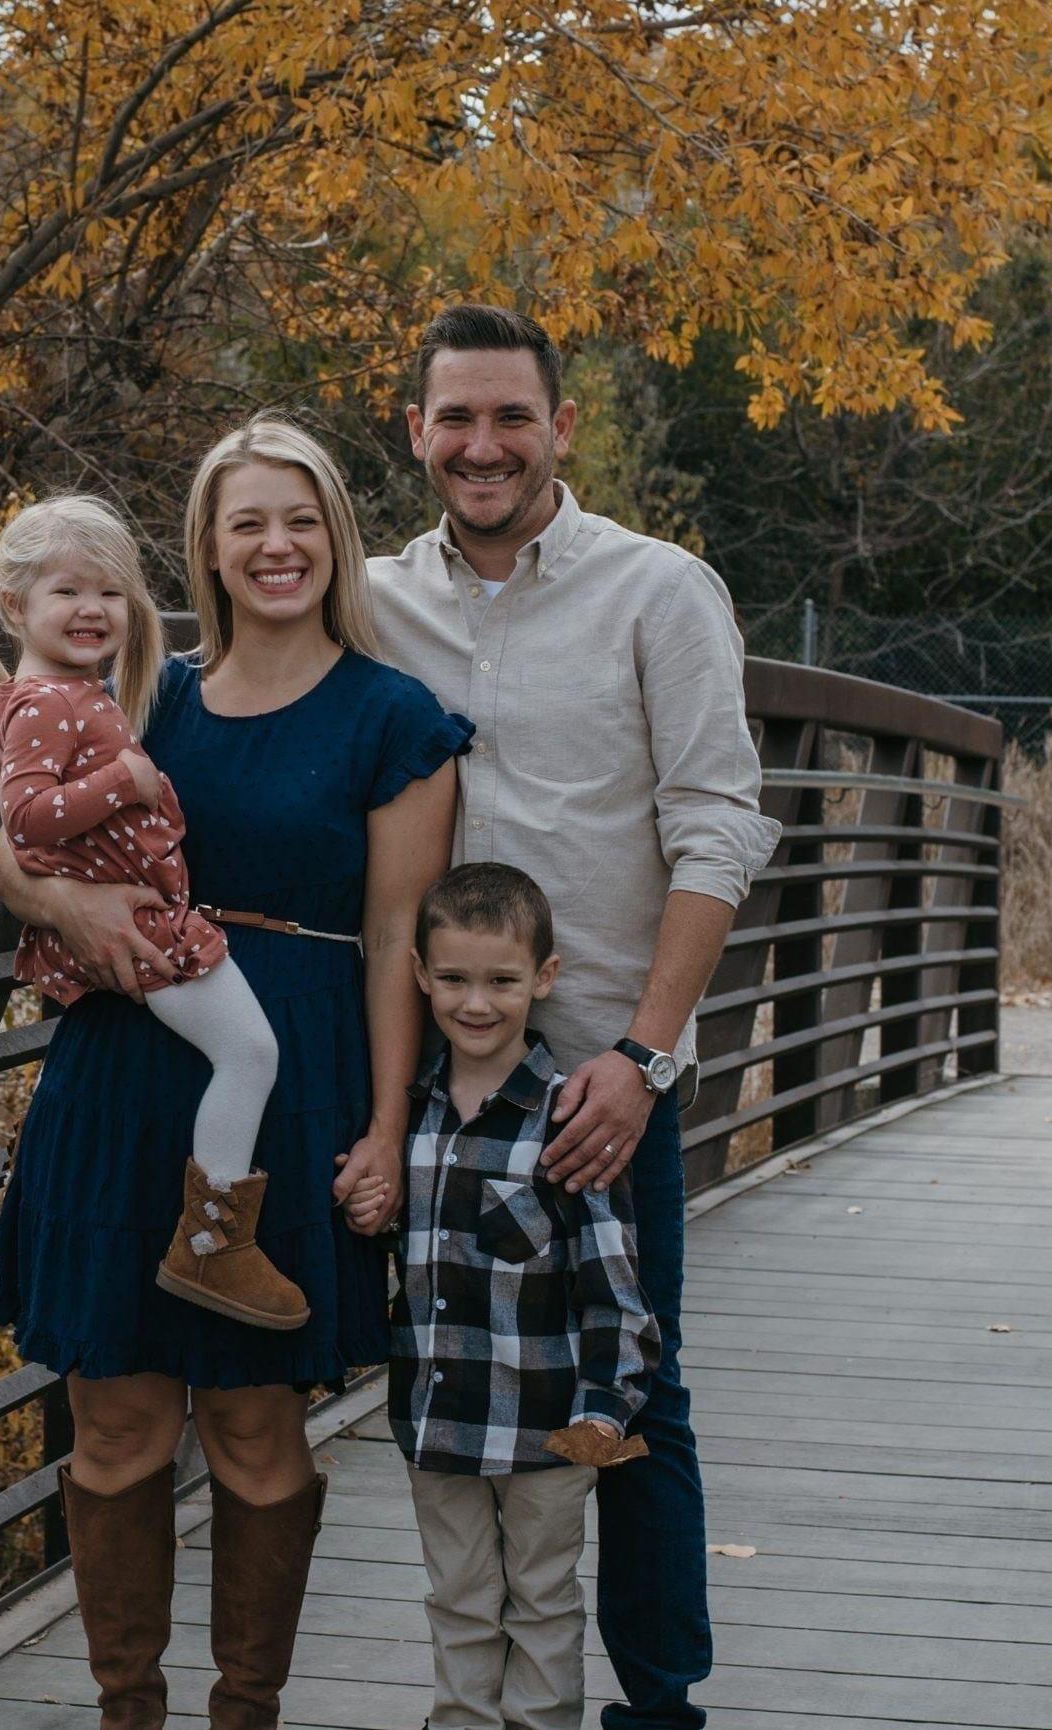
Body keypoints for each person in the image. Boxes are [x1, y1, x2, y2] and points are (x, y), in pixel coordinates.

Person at [0, 416, 468, 1730]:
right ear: (203, 546)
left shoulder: (392, 717)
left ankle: (245, 1710)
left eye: (300, 519)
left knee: (256, 1423)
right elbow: (14, 844)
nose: (275, 545)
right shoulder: (143, 692)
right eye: (246, 521)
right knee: (116, 1415)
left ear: (336, 539)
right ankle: (125, 1711)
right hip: (121, 1067)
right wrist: (57, 901)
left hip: (286, 1079)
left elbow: (395, 942)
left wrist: (384, 1124)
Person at [368, 306, 782, 1730]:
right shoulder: (372, 600)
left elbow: (719, 826)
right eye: (455, 417)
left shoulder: (658, 591)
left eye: (511, 416)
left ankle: (659, 1709)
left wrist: (643, 1056)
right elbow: (239, 694)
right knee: (438, 1382)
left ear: (560, 426)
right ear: (414, 431)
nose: (482, 445)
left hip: (603, 1079)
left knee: (635, 1392)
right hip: (430, 1092)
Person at [0, 493, 308, 1331]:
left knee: (243, 1054)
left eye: (110, 592)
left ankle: (213, 1237)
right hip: (143, 933)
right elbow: (26, 821)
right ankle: (214, 1242)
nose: (93, 609)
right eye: (69, 592)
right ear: (15, 607)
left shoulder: (73, 691)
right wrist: (126, 781)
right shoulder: (47, 701)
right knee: (250, 1052)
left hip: (147, 919)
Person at [371, 862, 659, 1730]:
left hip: (546, 1428)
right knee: (457, 1599)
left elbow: (616, 1293)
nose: (476, 1002)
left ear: (545, 977)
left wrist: (604, 1414)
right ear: (420, 975)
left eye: (502, 980)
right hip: (436, 1421)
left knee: (541, 1600)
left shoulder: (568, 1121)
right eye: (453, 979)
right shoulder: (407, 1118)